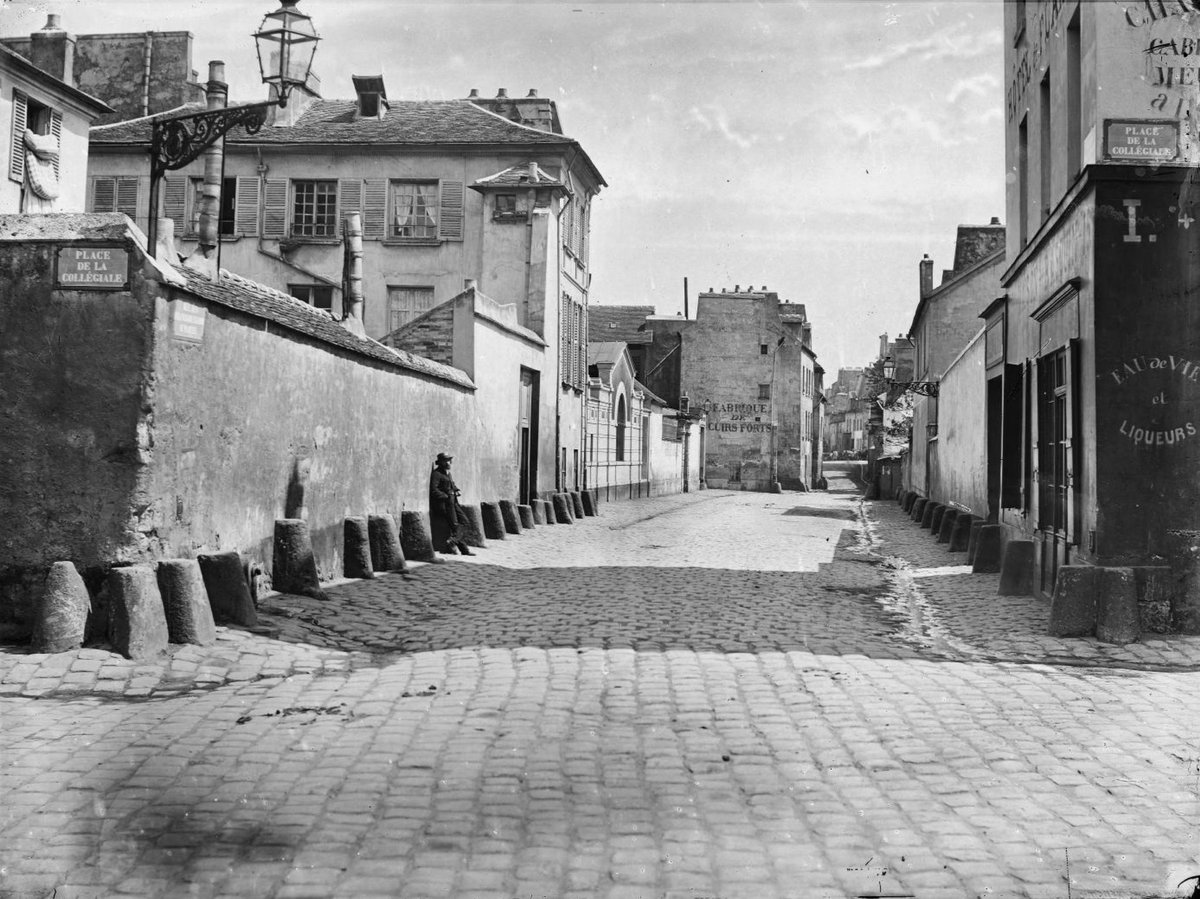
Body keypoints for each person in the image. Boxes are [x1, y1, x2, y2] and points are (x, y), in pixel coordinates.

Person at [429, 452, 474, 556]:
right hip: (445, 505)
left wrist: (456, 490)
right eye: (446, 460)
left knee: (465, 522)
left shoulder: (448, 473)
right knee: (455, 526)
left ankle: (453, 541)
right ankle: (464, 550)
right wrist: (446, 496)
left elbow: (452, 484)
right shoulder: (437, 474)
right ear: (441, 462)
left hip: (453, 503)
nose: (449, 462)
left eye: (449, 460)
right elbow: (434, 490)